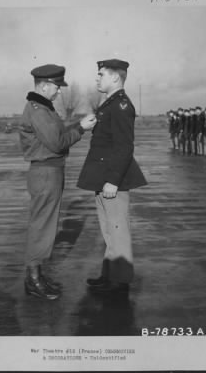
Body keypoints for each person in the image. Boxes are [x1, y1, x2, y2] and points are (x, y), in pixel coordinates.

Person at [19, 64, 96, 300]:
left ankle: (36, 276)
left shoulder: (43, 108)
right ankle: (33, 279)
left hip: (49, 171)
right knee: (41, 226)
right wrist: (81, 129)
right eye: (56, 86)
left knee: (44, 225)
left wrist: (76, 126)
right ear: (43, 86)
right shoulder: (39, 110)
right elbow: (57, 143)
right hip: (46, 172)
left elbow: (57, 134)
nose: (59, 91)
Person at [77, 59, 147, 295]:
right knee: (109, 230)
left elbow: (124, 146)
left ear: (115, 77)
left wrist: (113, 181)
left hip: (112, 181)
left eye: (101, 74)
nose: (97, 79)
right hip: (103, 178)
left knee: (118, 230)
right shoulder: (110, 104)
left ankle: (120, 282)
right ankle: (109, 276)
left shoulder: (121, 106)